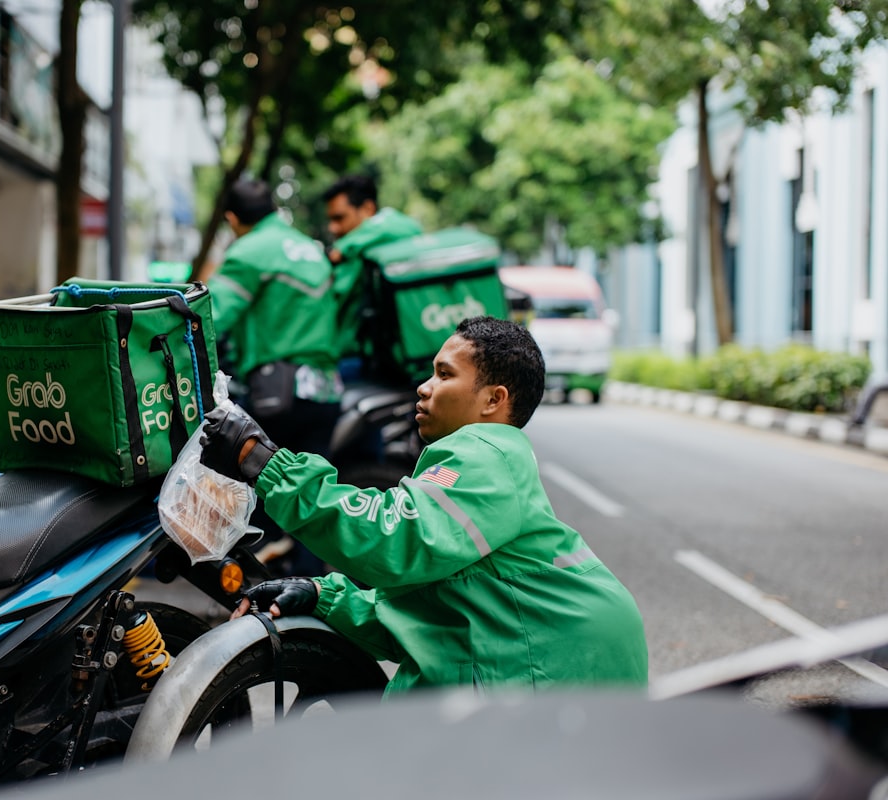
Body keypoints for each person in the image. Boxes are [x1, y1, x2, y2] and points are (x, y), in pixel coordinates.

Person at [200, 315, 648, 695]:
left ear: (494, 400)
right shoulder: (491, 459)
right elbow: (437, 616)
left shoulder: (484, 451)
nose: (424, 387)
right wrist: (323, 597)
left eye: (445, 374)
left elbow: (392, 539)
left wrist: (264, 462)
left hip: (554, 659)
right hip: (566, 649)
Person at [207, 178, 343, 575]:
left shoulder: (249, 250)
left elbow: (209, 320)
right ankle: (309, 596)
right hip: (326, 391)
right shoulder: (310, 249)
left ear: (233, 219)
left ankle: (256, 593)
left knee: (248, 485)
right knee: (309, 493)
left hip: (277, 393)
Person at [322, 175, 423, 378]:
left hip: (363, 361)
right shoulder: (356, 254)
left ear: (368, 209)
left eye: (339, 218)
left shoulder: (383, 234)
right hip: (343, 357)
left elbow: (407, 226)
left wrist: (344, 248)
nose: (332, 228)